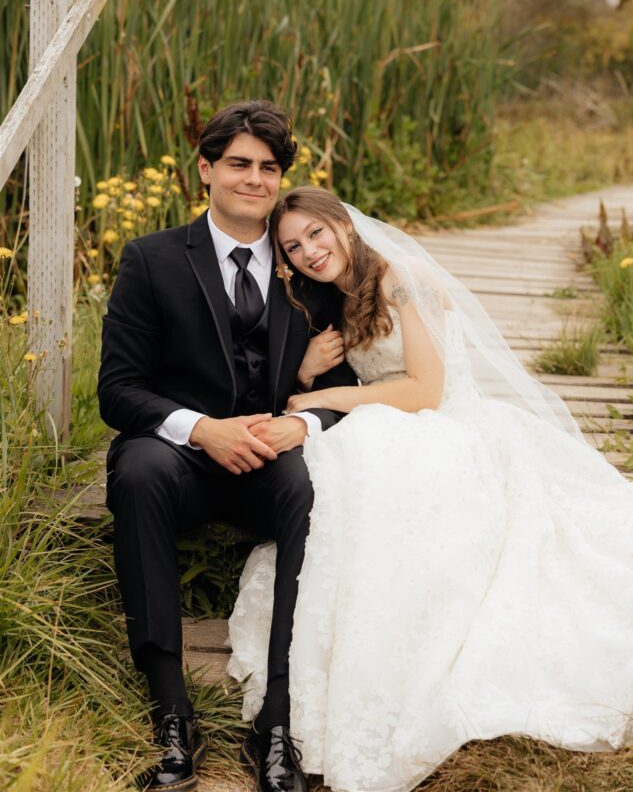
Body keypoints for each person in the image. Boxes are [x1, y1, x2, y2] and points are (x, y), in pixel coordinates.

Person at [227, 186, 633, 792]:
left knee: (385, 466)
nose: (309, 251)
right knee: (351, 467)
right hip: (392, 422)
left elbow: (426, 390)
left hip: (447, 423)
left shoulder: (402, 278)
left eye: (317, 233)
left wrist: (323, 392)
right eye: (293, 247)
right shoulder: (333, 298)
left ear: (344, 225)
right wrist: (308, 369)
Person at [98, 102, 357, 792]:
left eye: (268, 168)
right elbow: (117, 391)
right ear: (206, 170)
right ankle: (171, 712)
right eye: (239, 163)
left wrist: (301, 423)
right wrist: (200, 428)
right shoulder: (151, 259)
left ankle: (277, 719)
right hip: (180, 459)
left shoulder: (308, 265)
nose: (254, 179)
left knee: (309, 487)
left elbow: (346, 388)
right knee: (138, 470)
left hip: (271, 457)